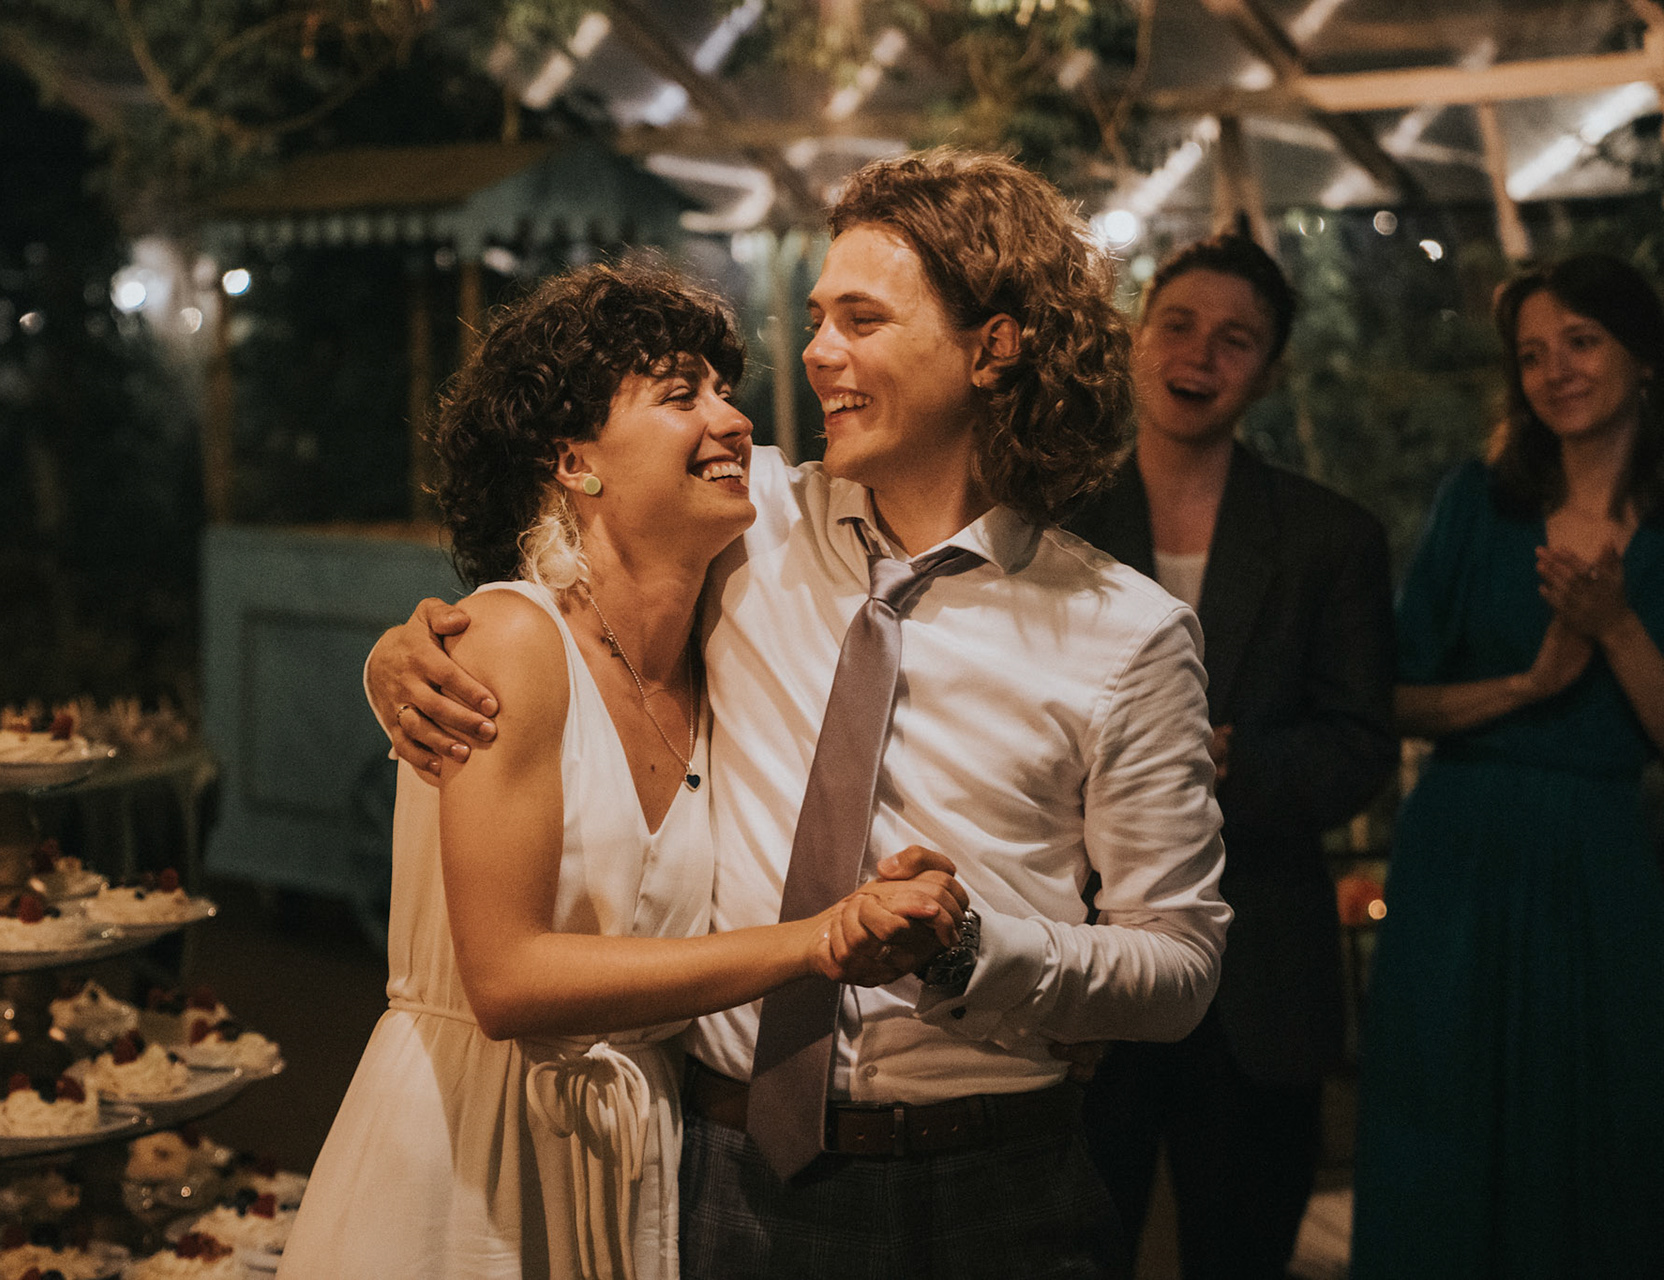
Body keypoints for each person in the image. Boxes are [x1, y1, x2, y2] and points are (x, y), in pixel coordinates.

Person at [369, 149, 1230, 1278]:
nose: (817, 351)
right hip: (731, 1171)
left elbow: (1180, 963)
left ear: (992, 347)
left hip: (997, 1182)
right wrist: (404, 648)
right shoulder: (749, 517)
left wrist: (981, 951)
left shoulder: (1127, 633)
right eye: (818, 318)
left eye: (862, 319)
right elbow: (574, 565)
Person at [279, 262, 965, 1280]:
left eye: (724, 391)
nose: (733, 421)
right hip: (466, 1151)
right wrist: (817, 939)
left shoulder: (717, 658)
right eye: (682, 395)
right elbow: (508, 980)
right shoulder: (510, 641)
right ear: (573, 460)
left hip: (636, 1163)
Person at [1062, 234, 1398, 1278]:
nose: (1199, 354)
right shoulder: (1052, 519)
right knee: (1073, 1251)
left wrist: (1227, 764)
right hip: (1080, 955)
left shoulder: (1329, 536)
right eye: (1178, 323)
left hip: (1263, 970)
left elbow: (1360, 748)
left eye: (1235, 338)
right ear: (1135, 338)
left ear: (1269, 371)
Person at [1351, 253, 1664, 1276]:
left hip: (1607, 854)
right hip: (1460, 850)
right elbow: (1393, 696)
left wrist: (1617, 628)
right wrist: (1530, 685)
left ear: (1643, 356)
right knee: (1444, 1106)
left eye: (1581, 341)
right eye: (1531, 354)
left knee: (1605, 1112)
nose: (1555, 370)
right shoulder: (1478, 502)